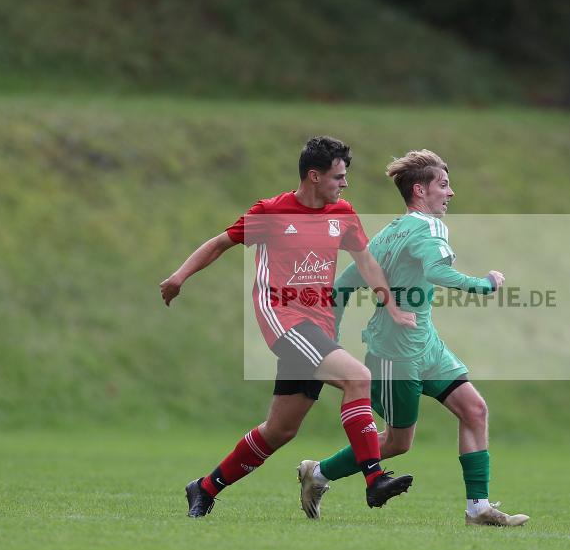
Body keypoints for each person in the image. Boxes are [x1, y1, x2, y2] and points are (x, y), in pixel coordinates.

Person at [160, 136, 415, 518]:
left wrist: (390, 305)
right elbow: (219, 243)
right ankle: (374, 479)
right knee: (358, 378)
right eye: (338, 176)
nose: (344, 184)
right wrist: (179, 277)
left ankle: (205, 487)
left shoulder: (342, 213)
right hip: (283, 319)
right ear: (314, 176)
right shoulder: (272, 212)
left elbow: (365, 262)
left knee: (280, 430)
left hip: (319, 325)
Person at [297, 149, 529, 526]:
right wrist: (483, 284)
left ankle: (478, 509)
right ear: (419, 190)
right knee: (397, 442)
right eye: (444, 184)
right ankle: (317, 474)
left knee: (475, 410)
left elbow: (341, 287)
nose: (451, 193)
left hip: (426, 345)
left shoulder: (390, 232)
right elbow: (437, 270)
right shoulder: (429, 227)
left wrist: (331, 336)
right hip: (394, 352)